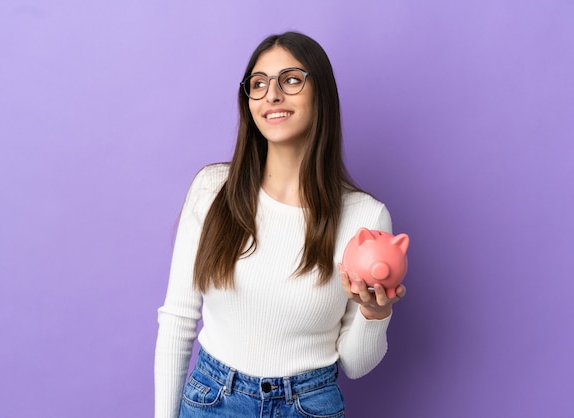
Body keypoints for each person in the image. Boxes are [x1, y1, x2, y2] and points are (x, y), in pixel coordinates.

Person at [154, 31, 406, 418]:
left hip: (309, 404)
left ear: (320, 93)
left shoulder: (366, 218)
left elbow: (355, 366)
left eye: (290, 80)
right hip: (213, 401)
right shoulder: (211, 189)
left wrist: (375, 314)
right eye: (258, 84)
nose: (271, 95)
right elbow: (178, 319)